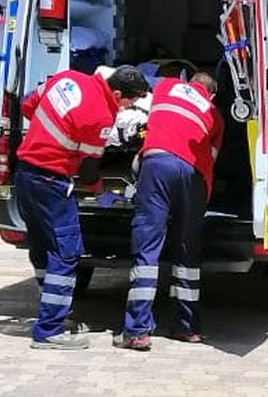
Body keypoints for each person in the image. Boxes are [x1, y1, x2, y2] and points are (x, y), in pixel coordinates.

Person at [16, 65, 150, 350]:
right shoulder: (102, 114)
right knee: (67, 252)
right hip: (52, 181)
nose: (129, 107)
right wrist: (101, 190)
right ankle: (49, 329)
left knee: (41, 245)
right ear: (116, 93)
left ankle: (49, 313)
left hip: (25, 175)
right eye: (130, 102)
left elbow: (28, 104)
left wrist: (47, 136)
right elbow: (89, 170)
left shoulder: (67, 78)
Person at [118, 71, 224, 351]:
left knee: (148, 245)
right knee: (187, 251)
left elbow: (142, 101)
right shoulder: (214, 113)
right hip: (193, 174)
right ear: (210, 94)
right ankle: (188, 328)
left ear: (189, 83)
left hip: (157, 164)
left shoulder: (166, 87)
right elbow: (210, 160)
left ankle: (138, 331)